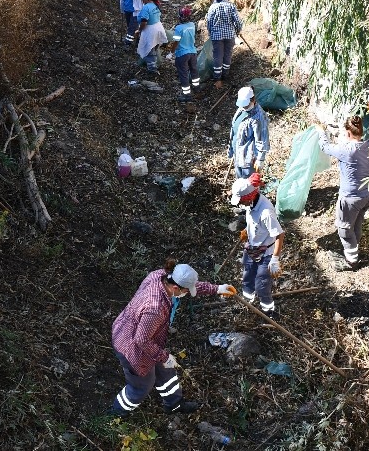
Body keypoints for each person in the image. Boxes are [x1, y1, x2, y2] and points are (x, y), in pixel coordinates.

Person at [110, 258, 237, 416]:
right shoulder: (155, 308)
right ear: (176, 288)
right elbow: (141, 340)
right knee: (142, 386)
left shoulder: (161, 275)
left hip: (147, 337)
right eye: (185, 291)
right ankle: (116, 413)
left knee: (166, 371)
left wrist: (216, 289)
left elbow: (189, 285)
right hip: (131, 347)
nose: (187, 294)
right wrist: (164, 356)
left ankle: (174, 404)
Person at [314, 113, 369, 270]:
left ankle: (351, 261)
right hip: (366, 195)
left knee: (344, 229)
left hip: (350, 198)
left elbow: (324, 147)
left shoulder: (345, 150)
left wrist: (321, 131)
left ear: (348, 133)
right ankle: (354, 253)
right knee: (356, 224)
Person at [230, 177, 284, 317]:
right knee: (247, 276)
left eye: (241, 200)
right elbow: (254, 224)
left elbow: (279, 235)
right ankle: (248, 301)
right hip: (252, 248)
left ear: (249, 197)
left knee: (262, 284)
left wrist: (275, 259)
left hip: (266, 252)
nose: (240, 203)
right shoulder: (250, 204)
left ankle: (268, 310)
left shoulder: (266, 212)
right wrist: (247, 232)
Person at [205, 0, 243, 89]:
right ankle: (225, 75)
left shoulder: (213, 7)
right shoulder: (231, 6)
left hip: (217, 37)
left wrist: (210, 32)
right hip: (230, 35)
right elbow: (237, 21)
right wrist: (238, 30)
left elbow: (208, 23)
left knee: (218, 56)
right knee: (227, 55)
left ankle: (217, 78)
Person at [229, 86, 269, 178]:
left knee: (249, 184)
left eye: (246, 105)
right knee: (240, 181)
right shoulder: (241, 109)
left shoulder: (259, 117)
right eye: (242, 105)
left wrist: (260, 159)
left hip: (248, 159)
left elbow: (262, 139)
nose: (244, 107)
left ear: (253, 99)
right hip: (238, 153)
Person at [169, 6, 199, 102]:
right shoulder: (192, 25)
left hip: (182, 54)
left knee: (183, 74)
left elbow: (176, 42)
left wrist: (171, 52)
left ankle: (187, 95)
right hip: (193, 52)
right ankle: (196, 87)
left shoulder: (178, 28)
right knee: (194, 70)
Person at [135, 0, 168, 72]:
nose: (142, 1)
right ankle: (154, 61)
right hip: (158, 27)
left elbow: (144, 21)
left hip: (150, 29)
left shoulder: (146, 7)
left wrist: (139, 30)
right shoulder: (155, 4)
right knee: (154, 46)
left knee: (148, 47)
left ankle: (152, 67)